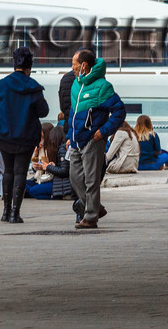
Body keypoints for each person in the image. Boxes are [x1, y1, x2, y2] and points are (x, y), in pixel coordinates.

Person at [0, 45, 49, 223]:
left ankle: (5, 211)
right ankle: (15, 212)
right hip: (26, 135)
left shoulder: (1, 84)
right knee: (21, 172)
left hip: (4, 134)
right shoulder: (34, 87)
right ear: (29, 68)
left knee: (8, 170)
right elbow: (43, 111)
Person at [65, 48, 126, 228]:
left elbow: (119, 111)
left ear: (83, 65)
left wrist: (104, 131)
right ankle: (96, 207)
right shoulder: (76, 84)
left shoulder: (102, 86)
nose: (72, 67)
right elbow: (73, 114)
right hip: (76, 139)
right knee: (75, 177)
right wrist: (70, 134)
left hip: (93, 139)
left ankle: (90, 217)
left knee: (91, 180)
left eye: (74, 64)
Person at [25, 124, 73, 202]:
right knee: (24, 185)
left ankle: (52, 195)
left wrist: (48, 167)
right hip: (44, 179)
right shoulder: (42, 149)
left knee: (32, 190)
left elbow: (63, 170)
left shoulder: (59, 150)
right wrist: (36, 156)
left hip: (54, 181)